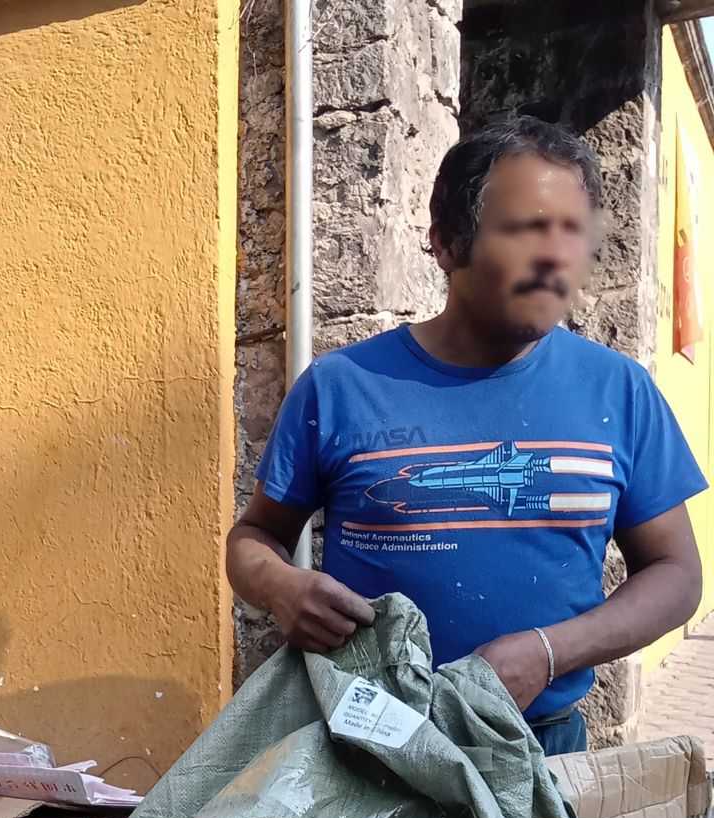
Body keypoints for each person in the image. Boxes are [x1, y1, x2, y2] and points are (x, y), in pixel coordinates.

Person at [228, 116, 706, 755]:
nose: (554, 258)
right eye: (525, 230)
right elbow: (253, 538)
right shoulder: (340, 386)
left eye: (571, 232)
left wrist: (549, 651)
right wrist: (283, 588)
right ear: (447, 243)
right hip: (366, 752)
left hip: (540, 751)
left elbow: (677, 574)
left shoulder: (619, 391)